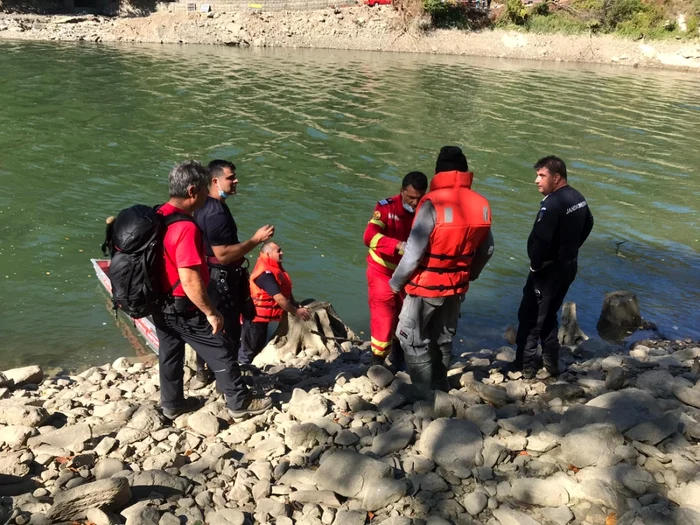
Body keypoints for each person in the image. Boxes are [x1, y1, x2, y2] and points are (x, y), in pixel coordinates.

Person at [153, 160, 272, 419]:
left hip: (158, 300)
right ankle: (239, 403)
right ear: (193, 191)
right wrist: (209, 311)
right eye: (206, 188)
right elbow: (190, 278)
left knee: (170, 352)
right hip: (180, 301)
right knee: (220, 346)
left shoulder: (159, 214)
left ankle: (172, 404)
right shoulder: (185, 227)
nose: (209, 194)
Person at [389, 147, 494, 395]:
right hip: (457, 286)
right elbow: (488, 249)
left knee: (410, 338)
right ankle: (440, 385)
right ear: (466, 171)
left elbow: (414, 252)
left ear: (437, 172)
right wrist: (470, 274)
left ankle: (424, 394)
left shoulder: (431, 203)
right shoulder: (481, 203)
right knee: (444, 337)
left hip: (425, 286)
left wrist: (396, 282)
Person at [191, 159, 274, 388]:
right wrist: (256, 240)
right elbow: (224, 254)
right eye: (231, 177)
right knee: (228, 331)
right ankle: (229, 387)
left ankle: (202, 372)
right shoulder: (216, 212)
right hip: (222, 279)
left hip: (209, 276)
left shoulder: (202, 205)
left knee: (211, 327)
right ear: (215, 180)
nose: (236, 181)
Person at [513, 155, 594, 379]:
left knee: (531, 317)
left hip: (547, 272)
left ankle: (525, 367)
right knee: (548, 315)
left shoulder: (553, 203)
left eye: (542, 176)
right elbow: (589, 223)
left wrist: (536, 266)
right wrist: (571, 249)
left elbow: (540, 239)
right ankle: (551, 362)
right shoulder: (577, 197)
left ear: (556, 177)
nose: (536, 181)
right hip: (567, 267)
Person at [363, 171, 428, 368]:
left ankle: (399, 355)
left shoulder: (426, 209)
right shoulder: (386, 208)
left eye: (419, 198)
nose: (415, 203)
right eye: (411, 197)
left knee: (406, 316)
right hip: (382, 271)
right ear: (401, 191)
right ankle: (378, 360)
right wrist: (397, 245)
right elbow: (369, 236)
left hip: (409, 273)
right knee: (385, 316)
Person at [239, 242, 311, 364]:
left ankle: (251, 370)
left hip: (262, 319)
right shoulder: (265, 274)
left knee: (258, 344)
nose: (282, 253)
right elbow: (279, 298)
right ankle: (242, 371)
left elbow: (284, 288)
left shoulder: (273, 268)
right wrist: (296, 311)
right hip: (254, 317)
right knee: (249, 350)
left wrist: (293, 302)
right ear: (268, 254)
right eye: (278, 251)